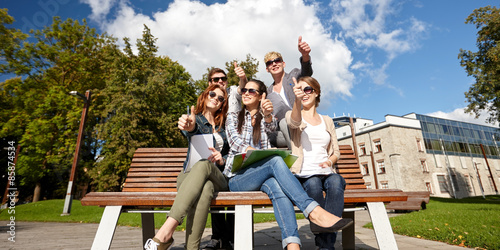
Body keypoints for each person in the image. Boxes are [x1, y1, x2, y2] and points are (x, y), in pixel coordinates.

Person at [224, 79, 353, 250]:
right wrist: (264, 156)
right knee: (275, 160)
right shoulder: (232, 117)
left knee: (278, 189)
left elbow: (271, 129)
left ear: (262, 96)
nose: (246, 93)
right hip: (238, 179)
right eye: (244, 90)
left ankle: (292, 245)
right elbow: (237, 144)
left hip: (261, 177)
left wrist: (268, 115)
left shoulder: (264, 119)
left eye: (251, 90)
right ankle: (313, 211)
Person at [144, 84, 230, 250]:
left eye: (221, 98)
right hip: (190, 176)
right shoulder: (195, 119)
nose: (216, 99)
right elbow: (190, 128)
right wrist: (189, 126)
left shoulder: (225, 126)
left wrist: (222, 159)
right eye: (212, 94)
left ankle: (165, 232)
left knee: (205, 165)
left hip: (217, 175)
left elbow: (233, 153)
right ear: (205, 95)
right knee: (206, 188)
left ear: (223, 104)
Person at [286, 76, 346, 250]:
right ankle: (326, 245)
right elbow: (294, 122)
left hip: (327, 171)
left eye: (308, 90)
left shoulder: (327, 120)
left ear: (316, 92)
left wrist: (329, 161)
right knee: (312, 185)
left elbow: (336, 151)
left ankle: (325, 246)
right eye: (300, 90)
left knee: (336, 182)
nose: (304, 94)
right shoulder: (293, 113)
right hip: (304, 173)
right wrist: (296, 101)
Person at [201, 65, 247, 250]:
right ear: (209, 85)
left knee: (234, 184)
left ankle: (232, 235)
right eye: (215, 79)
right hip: (216, 155)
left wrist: (242, 78)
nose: (220, 82)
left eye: (223, 79)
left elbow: (242, 88)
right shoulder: (209, 105)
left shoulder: (232, 96)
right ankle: (218, 236)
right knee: (214, 183)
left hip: (234, 151)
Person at [264, 36, 313, 148]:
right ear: (267, 69)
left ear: (283, 64)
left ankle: (298, 155)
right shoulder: (268, 92)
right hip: (284, 130)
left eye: (277, 61)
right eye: (270, 63)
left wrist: (305, 56)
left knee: (284, 122)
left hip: (302, 122)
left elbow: (307, 72)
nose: (274, 64)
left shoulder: (294, 75)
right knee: (268, 135)